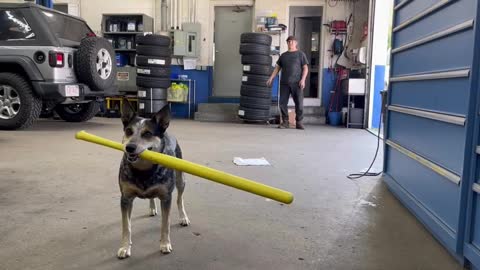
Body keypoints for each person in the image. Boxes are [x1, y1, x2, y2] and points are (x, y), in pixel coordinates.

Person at [267, 35, 309, 130]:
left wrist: (303, 80)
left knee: (299, 103)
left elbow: (305, 68)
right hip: (284, 83)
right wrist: (271, 77)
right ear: (287, 43)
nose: (291, 43)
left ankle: (299, 122)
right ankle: (285, 122)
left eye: (292, 41)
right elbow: (277, 67)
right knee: (282, 103)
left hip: (297, 83)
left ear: (296, 43)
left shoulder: (300, 54)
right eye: (289, 42)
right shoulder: (283, 55)